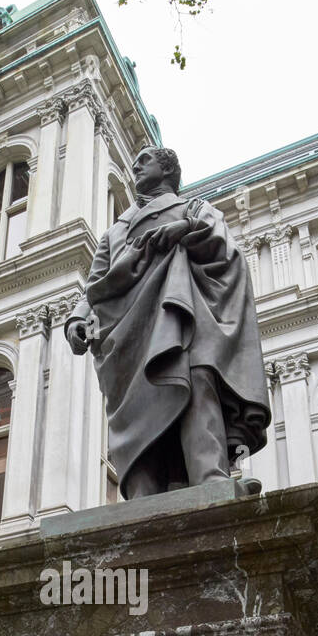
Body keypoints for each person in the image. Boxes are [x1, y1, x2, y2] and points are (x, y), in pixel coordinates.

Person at [66, 145, 270, 499]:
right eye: (135, 162)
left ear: (168, 170)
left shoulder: (195, 209)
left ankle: (210, 476)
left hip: (183, 318)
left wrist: (185, 230)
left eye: (144, 160)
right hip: (127, 337)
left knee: (197, 380)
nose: (135, 166)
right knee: (136, 410)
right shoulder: (114, 233)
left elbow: (226, 252)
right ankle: (142, 494)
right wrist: (77, 319)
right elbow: (94, 289)